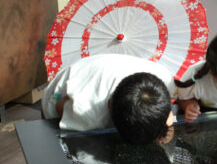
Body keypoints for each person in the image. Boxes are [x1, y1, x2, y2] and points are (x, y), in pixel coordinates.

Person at [42, 54, 175, 144]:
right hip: (57, 96)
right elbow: (60, 106)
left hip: (99, 71)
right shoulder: (87, 114)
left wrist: (166, 119)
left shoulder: (164, 77)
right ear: (110, 104)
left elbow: (164, 108)